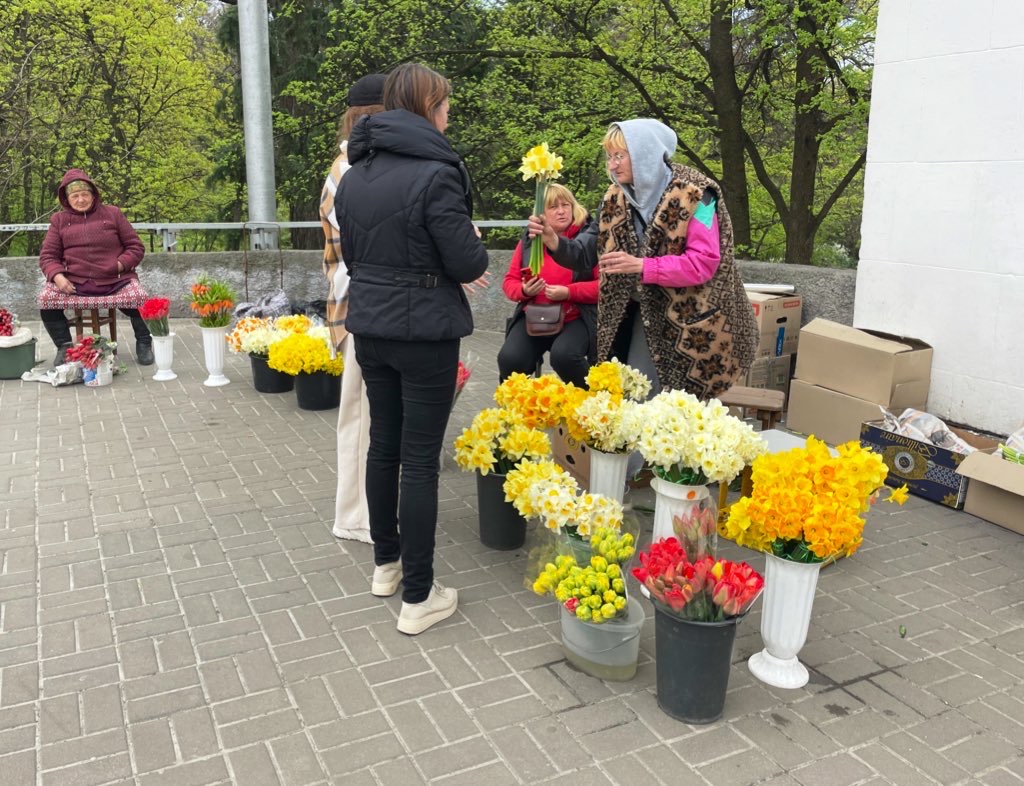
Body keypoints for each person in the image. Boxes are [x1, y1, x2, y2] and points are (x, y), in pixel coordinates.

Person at [334, 63, 490, 635]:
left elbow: (354, 257)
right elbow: (468, 263)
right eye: (445, 105)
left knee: (384, 448)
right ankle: (419, 598)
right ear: (428, 106)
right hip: (424, 331)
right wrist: (470, 245)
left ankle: (386, 565)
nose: (450, 115)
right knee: (419, 461)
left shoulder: (356, 175)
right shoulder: (437, 173)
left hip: (371, 326)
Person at [528, 119, 757, 400]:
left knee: (686, 409)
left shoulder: (700, 196)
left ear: (644, 153)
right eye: (609, 156)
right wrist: (554, 241)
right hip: (639, 316)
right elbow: (588, 252)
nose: (612, 165)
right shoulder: (614, 197)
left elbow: (703, 263)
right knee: (640, 399)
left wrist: (642, 267)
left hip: (695, 323)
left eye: (619, 156)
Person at [319, 74, 387, 545]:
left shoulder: (353, 164)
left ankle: (365, 511)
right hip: (360, 303)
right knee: (361, 418)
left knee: (367, 417)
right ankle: (355, 517)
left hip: (361, 302)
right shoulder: (351, 169)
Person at [37, 169, 153, 365]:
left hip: (115, 280)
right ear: (66, 199)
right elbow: (48, 256)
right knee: (46, 301)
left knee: (139, 299)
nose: (80, 199)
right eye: (75, 196)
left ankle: (144, 342)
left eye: (85, 194)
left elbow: (135, 247)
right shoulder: (59, 221)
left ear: (93, 194)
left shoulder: (113, 213)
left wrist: (119, 265)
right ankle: (64, 346)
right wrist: (57, 276)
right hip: (75, 282)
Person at [497, 183, 598, 388]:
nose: (561, 211)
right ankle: (518, 411)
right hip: (536, 316)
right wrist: (524, 291)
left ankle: (593, 404)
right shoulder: (528, 241)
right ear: (541, 214)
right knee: (510, 359)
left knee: (565, 357)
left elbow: (603, 288)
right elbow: (509, 282)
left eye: (566, 204)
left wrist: (569, 292)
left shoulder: (588, 241)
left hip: (575, 316)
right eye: (553, 207)